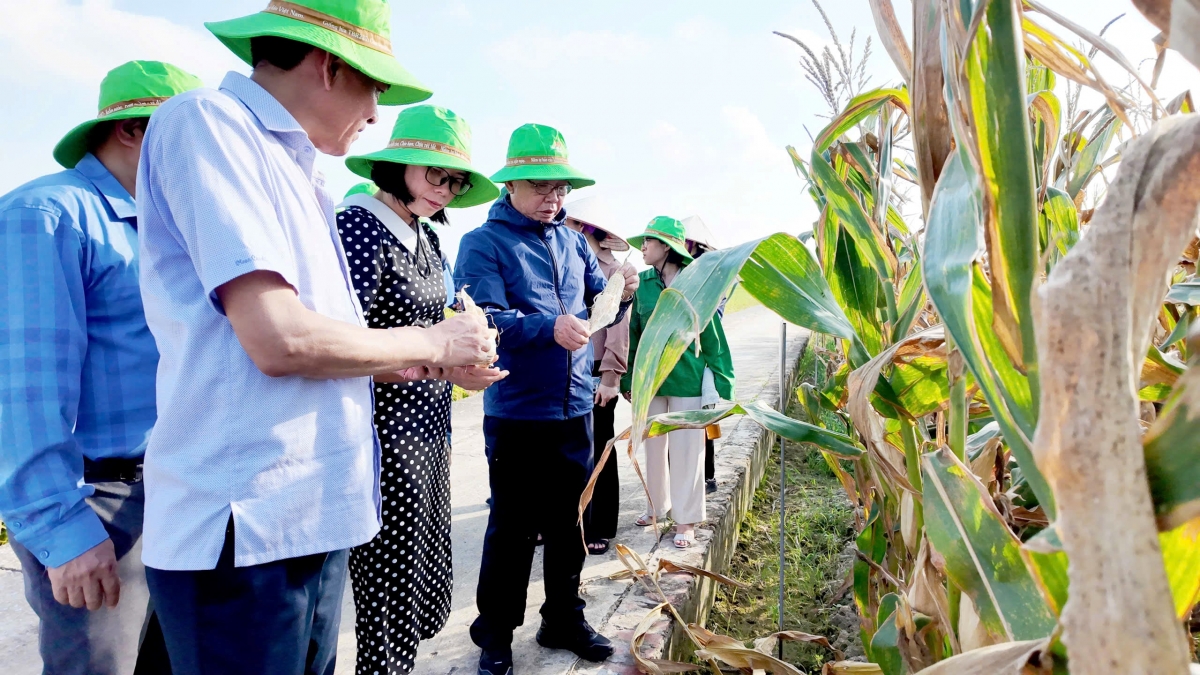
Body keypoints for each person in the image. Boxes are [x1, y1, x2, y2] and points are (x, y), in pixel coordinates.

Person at [135, 3, 495, 674]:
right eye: (375, 90)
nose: (375, 116)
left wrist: (430, 357)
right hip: (246, 529)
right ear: (330, 66)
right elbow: (279, 339)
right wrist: (436, 343)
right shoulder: (210, 125)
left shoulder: (298, 168)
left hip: (312, 514)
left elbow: (332, 344)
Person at [0, 60, 201, 675]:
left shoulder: (167, 226)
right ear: (131, 132)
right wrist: (62, 530)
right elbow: (25, 390)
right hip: (99, 502)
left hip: (175, 491)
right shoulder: (47, 215)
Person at [455, 123, 639, 675]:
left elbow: (594, 303)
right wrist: (547, 328)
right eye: (540, 187)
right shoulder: (483, 243)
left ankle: (563, 617)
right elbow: (482, 320)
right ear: (510, 184)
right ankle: (495, 636)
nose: (552, 198)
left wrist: (620, 297)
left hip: (574, 406)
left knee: (569, 524)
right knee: (511, 528)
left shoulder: (572, 240)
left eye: (560, 189)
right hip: (517, 410)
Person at [337, 104, 506, 675]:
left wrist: (464, 366)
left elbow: (441, 331)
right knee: (387, 589)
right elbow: (343, 344)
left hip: (429, 430)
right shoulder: (357, 227)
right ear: (398, 164)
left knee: (419, 576)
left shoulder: (427, 236)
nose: (446, 189)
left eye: (455, 181)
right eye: (436, 174)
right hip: (382, 434)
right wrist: (436, 362)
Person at [623, 217, 734, 549]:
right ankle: (657, 508)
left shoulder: (695, 284)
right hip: (651, 381)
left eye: (648, 241)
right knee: (653, 448)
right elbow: (634, 335)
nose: (642, 246)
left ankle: (685, 520)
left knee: (687, 452)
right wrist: (630, 378)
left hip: (689, 380)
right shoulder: (641, 284)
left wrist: (723, 384)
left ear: (667, 247)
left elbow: (712, 334)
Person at [563, 197, 631, 556]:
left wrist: (611, 376)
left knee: (600, 449)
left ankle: (599, 524)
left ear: (592, 232)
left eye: (574, 225)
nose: (567, 231)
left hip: (597, 373)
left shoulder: (612, 271)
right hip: (568, 371)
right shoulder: (564, 263)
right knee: (569, 451)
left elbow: (618, 330)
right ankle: (566, 522)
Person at [682, 215, 725, 495]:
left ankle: (707, 475)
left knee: (702, 414)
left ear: (691, 243)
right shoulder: (679, 272)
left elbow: (714, 315)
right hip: (680, 354)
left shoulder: (713, 276)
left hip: (702, 352)